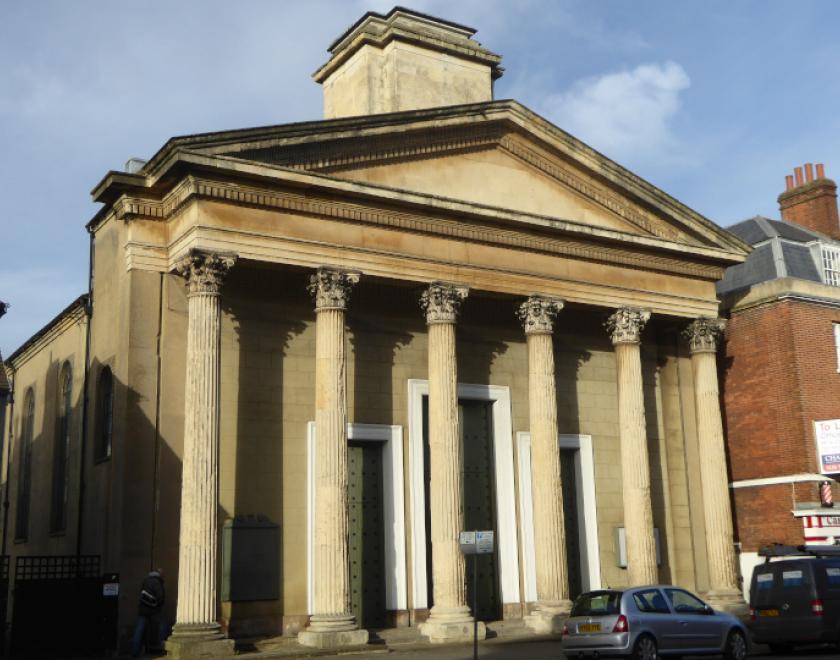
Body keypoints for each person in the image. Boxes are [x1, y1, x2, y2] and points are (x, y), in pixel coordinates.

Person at [130, 568, 165, 657]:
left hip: (143, 609)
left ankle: (135, 651)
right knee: (162, 626)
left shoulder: (146, 580)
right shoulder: (157, 581)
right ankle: (161, 648)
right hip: (154, 610)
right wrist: (158, 605)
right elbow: (160, 597)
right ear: (159, 573)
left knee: (139, 629)